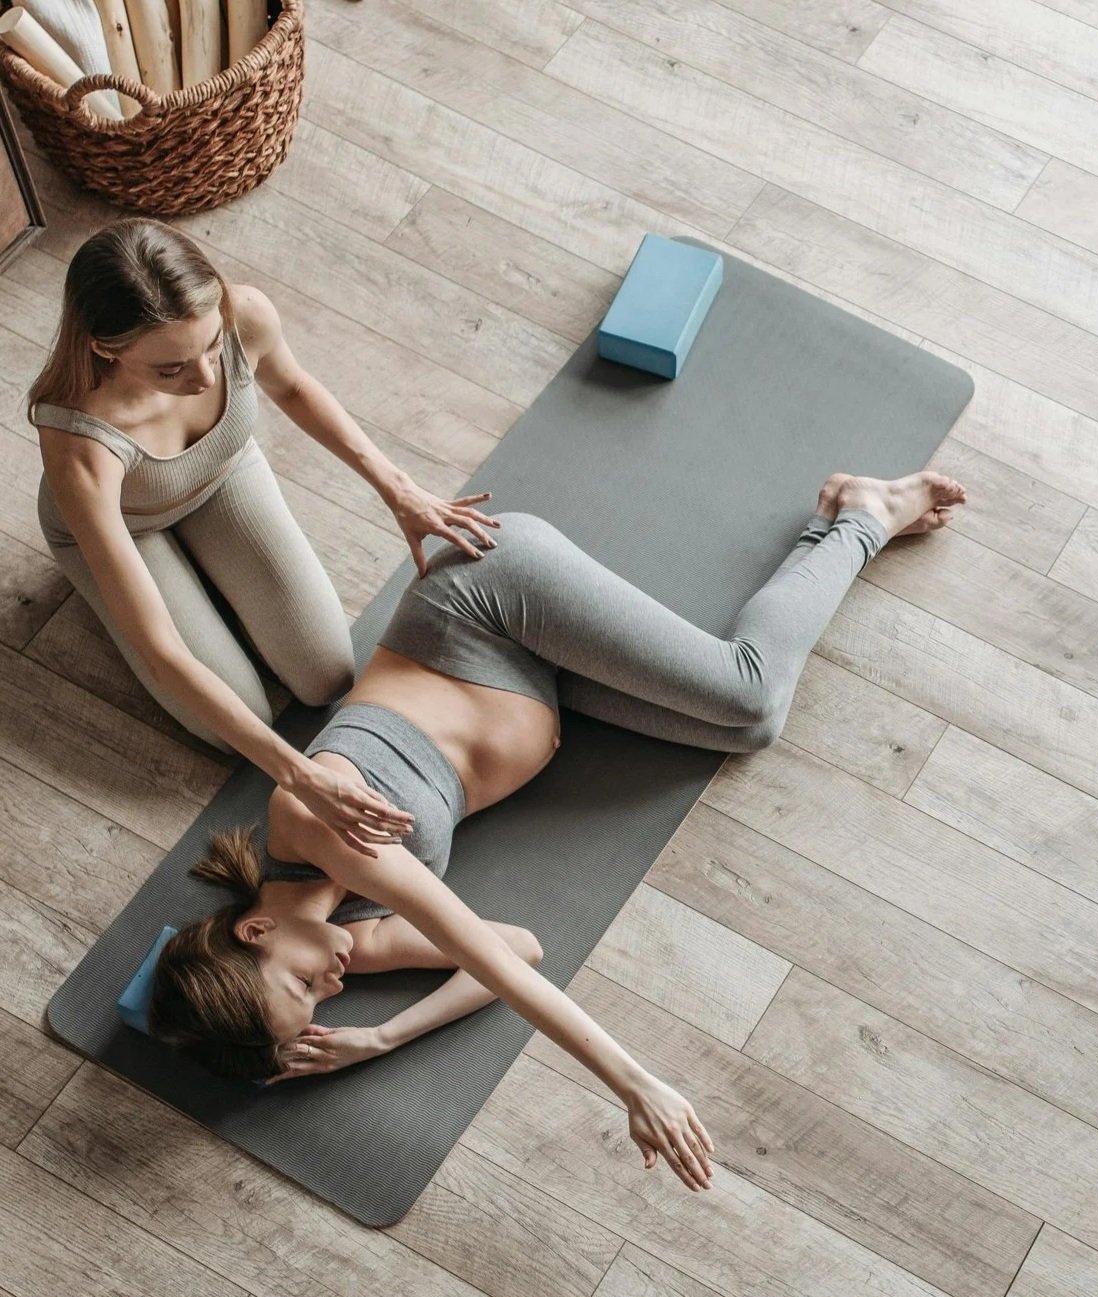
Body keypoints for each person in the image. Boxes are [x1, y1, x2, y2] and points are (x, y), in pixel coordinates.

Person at [150, 469, 966, 1193]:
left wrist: (634, 1083)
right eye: (317, 1009)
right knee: (748, 730)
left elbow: (491, 964)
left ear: (255, 926)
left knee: (747, 695)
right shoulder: (347, 943)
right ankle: (835, 523)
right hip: (548, 687)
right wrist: (379, 1038)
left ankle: (864, 513)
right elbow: (520, 948)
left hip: (491, 607)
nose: (330, 990)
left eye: (299, 986)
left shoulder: (312, 824)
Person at [28, 217, 499, 855]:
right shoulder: (79, 441)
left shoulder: (244, 312)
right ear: (106, 348)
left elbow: (296, 388)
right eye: (168, 369)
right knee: (235, 727)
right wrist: (299, 774)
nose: (201, 378)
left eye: (212, 345)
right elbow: (163, 650)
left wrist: (399, 489)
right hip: (127, 527)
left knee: (327, 675)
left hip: (220, 475)